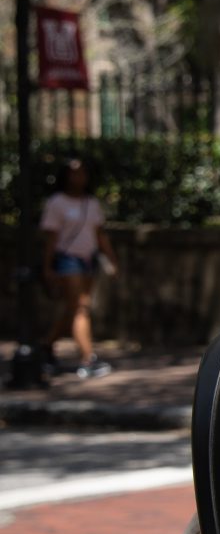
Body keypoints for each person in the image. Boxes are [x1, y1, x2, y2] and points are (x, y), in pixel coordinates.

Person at [41, 157, 115, 379]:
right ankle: (87, 358)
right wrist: (47, 267)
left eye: (82, 172)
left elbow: (100, 235)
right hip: (67, 260)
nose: (78, 177)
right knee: (81, 307)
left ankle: (45, 346)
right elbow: (51, 240)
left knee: (72, 309)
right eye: (73, 172)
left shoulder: (91, 203)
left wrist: (112, 259)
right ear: (65, 175)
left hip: (88, 260)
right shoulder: (57, 203)